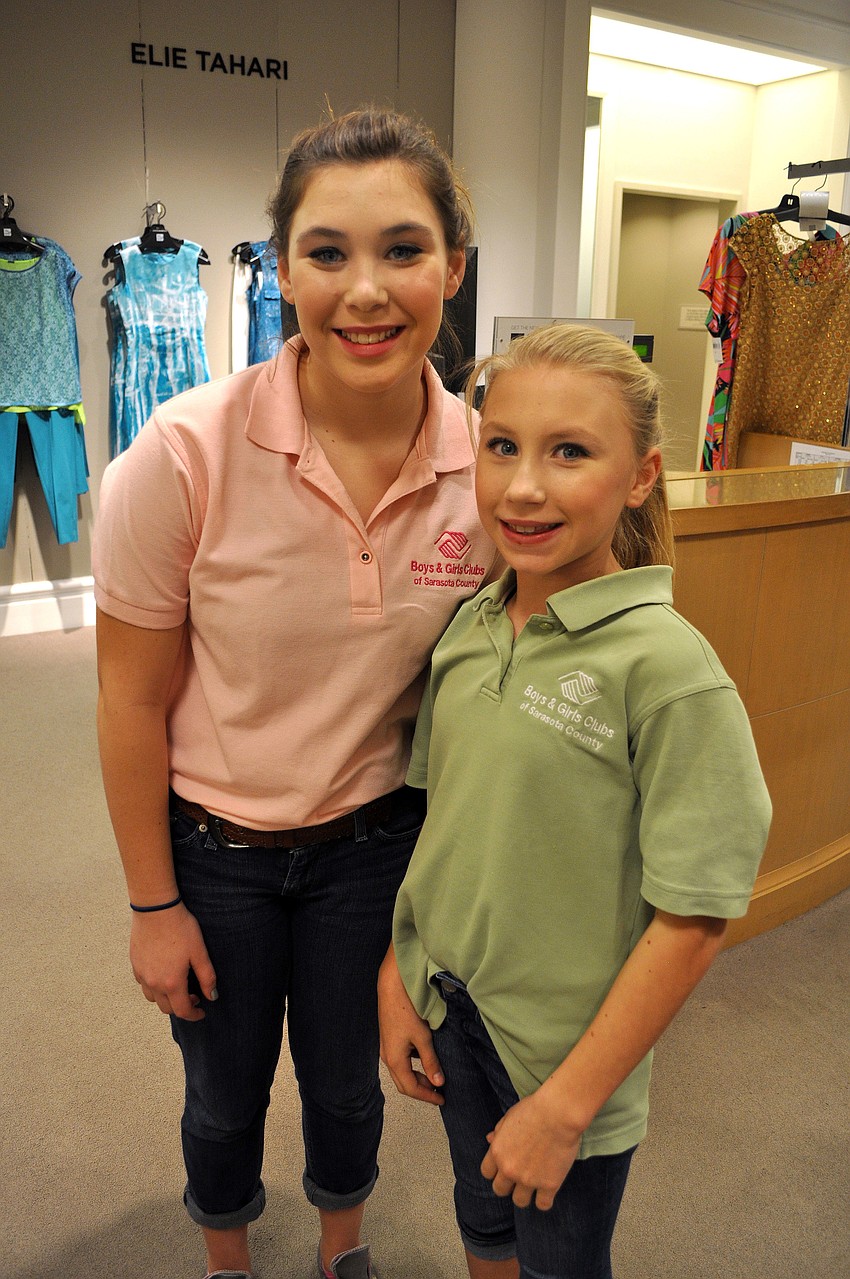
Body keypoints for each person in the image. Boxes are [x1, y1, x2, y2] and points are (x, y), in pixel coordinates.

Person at [93, 107, 499, 1279]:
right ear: (281, 268)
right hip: (213, 848)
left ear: (452, 268)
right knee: (223, 1097)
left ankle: (341, 1250)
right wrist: (149, 903)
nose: (364, 291)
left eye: (403, 249)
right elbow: (127, 699)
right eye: (327, 252)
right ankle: (229, 1259)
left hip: (375, 849)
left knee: (346, 1085)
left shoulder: (491, 471)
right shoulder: (180, 454)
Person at [378, 322, 772, 1279]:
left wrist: (563, 1107)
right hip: (454, 1011)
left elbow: (693, 917)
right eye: (502, 445)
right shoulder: (470, 625)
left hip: (567, 1067)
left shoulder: (668, 670)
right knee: (483, 1227)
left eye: (570, 452)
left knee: (558, 1259)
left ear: (640, 476)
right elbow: (440, 824)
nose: (522, 486)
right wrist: (398, 973)